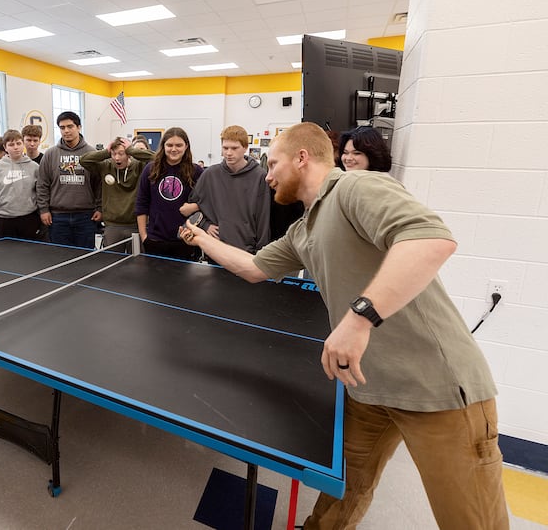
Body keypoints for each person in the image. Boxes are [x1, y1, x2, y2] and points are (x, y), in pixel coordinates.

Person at [178, 122, 508, 530]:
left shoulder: (356, 188)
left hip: (437, 390)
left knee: (473, 522)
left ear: (302, 158)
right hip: (366, 388)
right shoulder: (304, 229)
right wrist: (200, 238)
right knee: (344, 492)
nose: (267, 175)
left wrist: (358, 319)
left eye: (274, 163)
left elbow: (430, 240)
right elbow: (253, 267)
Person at [179, 125, 270, 254]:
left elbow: (263, 218)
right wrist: (205, 225)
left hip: (247, 252)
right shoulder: (210, 175)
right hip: (216, 250)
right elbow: (193, 207)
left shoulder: (260, 177)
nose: (228, 153)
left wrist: (261, 253)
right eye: (225, 148)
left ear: (245, 148)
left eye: (234, 148)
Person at [134, 127, 202, 261]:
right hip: (155, 240)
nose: (174, 149)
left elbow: (209, 201)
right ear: (163, 146)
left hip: (185, 240)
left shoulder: (196, 171)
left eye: (179, 145)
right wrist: (144, 236)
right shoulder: (150, 169)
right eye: (169, 145)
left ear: (186, 146)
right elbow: (141, 203)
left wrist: (194, 207)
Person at [36, 111, 99, 248]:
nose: (66, 131)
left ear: (79, 127)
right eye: (62, 127)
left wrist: (100, 208)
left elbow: (99, 185)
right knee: (60, 257)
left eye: (70, 126)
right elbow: (42, 184)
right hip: (57, 217)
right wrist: (44, 210)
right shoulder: (50, 154)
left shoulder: (92, 153)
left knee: (84, 258)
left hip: (86, 216)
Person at [79, 137, 154, 247]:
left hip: (135, 225)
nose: (117, 158)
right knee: (112, 261)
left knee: (137, 262)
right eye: (114, 154)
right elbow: (83, 160)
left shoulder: (139, 166)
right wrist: (106, 152)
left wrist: (132, 150)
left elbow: (156, 158)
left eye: (121, 153)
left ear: (128, 154)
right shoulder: (105, 166)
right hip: (112, 226)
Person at [0, 129, 42, 240]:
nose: (16, 147)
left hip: (28, 219)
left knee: (29, 255)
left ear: (23, 145)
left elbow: (40, 194)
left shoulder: (34, 167)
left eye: (18, 143)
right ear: (5, 148)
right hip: (2, 220)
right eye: (11, 145)